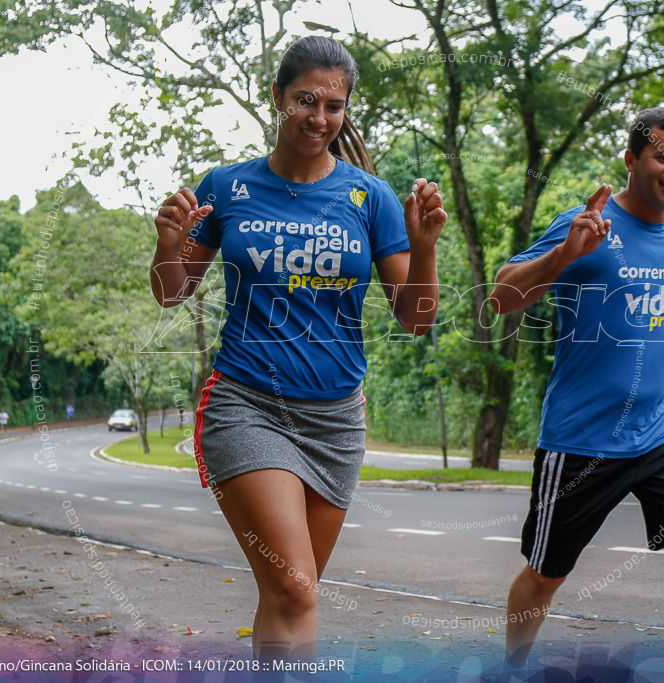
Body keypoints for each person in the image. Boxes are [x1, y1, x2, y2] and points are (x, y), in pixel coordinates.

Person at [149, 36, 445, 663]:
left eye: (334, 106)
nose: (319, 117)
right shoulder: (227, 187)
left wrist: (424, 248)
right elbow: (174, 295)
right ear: (277, 97)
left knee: (288, 594)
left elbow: (416, 318)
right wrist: (166, 244)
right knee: (295, 588)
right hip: (247, 404)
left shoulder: (371, 198)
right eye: (305, 100)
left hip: (336, 419)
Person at [490, 107, 664, 675]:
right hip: (582, 435)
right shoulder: (587, 223)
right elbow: (501, 296)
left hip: (660, 429)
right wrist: (564, 254)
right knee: (547, 574)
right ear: (632, 160)